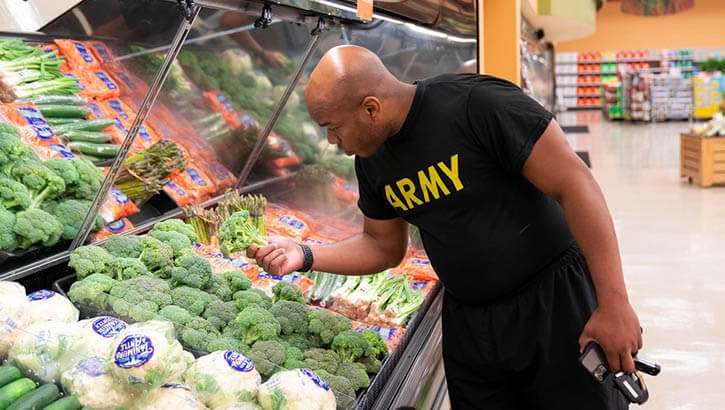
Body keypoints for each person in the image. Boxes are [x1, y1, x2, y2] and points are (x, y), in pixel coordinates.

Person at [247, 45, 642, 409]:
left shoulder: (478, 105)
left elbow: (576, 184)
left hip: (552, 305)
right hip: (470, 324)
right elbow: (382, 245)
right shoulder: (372, 159)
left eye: (333, 126)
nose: (332, 140)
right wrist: (306, 255)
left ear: (371, 109)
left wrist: (614, 304)